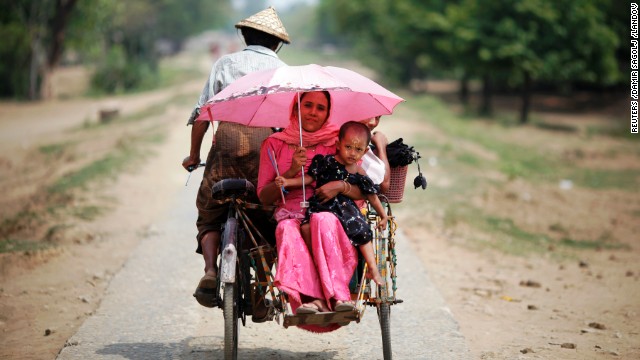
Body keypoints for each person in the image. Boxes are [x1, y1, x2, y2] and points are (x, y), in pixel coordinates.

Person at [181, 7, 290, 320]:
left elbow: (202, 115)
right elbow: (286, 124)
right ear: (276, 43)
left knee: (209, 211)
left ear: (245, 36)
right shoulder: (282, 70)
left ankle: (211, 272)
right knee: (269, 215)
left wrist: (194, 156)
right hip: (265, 149)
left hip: (226, 143)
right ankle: (264, 286)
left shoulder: (225, 63)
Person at [257, 91, 363, 332]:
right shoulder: (274, 144)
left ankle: (339, 297)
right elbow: (264, 196)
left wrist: (339, 186)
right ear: (296, 108)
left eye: (320, 108)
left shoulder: (338, 143)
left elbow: (362, 189)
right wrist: (293, 169)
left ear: (328, 113)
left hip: (330, 213)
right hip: (290, 213)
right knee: (286, 228)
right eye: (307, 105)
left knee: (322, 220)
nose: (313, 112)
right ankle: (310, 299)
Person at [274, 121, 388, 286]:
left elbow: (372, 195)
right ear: (338, 144)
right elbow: (309, 179)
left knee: (362, 231)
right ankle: (314, 265)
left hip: (346, 211)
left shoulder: (358, 171)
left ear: (364, 152)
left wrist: (382, 215)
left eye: (358, 150)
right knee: (306, 228)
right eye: (348, 147)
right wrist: (288, 182)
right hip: (322, 206)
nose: (352, 153)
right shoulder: (325, 162)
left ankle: (373, 268)